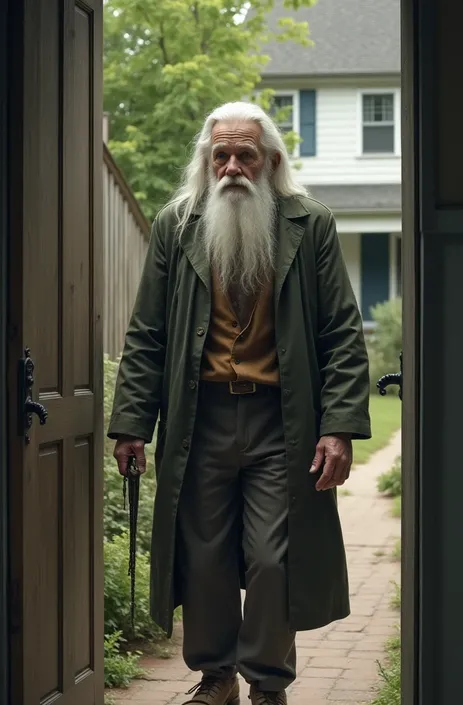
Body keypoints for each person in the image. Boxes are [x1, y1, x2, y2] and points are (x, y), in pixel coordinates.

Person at [108, 101, 371, 705]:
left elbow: (341, 334)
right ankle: (216, 676)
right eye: (219, 155)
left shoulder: (311, 225)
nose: (231, 167)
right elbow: (147, 333)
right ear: (206, 160)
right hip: (200, 419)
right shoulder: (177, 225)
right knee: (204, 560)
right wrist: (131, 425)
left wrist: (339, 428)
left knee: (274, 560)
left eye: (244, 155)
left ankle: (267, 682)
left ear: (270, 161)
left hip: (282, 422)